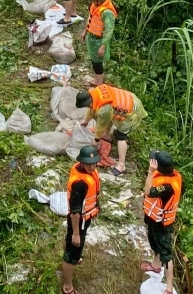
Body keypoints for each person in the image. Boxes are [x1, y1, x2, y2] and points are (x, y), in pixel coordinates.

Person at [75, 84, 146, 175]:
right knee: (111, 115)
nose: (86, 107)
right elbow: (92, 109)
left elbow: (101, 124)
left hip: (132, 110)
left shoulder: (104, 109)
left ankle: (121, 165)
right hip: (126, 99)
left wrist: (96, 139)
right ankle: (106, 136)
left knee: (120, 136)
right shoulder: (95, 93)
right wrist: (86, 121)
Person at [61, 144, 101, 294]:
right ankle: (67, 287)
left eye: (94, 163)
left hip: (85, 218)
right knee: (72, 250)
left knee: (73, 245)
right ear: (82, 162)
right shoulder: (80, 183)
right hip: (79, 220)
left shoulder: (83, 170)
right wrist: (76, 233)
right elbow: (75, 212)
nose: (92, 167)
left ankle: (74, 255)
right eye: (88, 164)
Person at [141, 151, 182, 291]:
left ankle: (169, 288)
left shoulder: (167, 187)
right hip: (154, 220)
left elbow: (147, 191)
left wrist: (150, 172)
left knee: (166, 255)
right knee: (155, 244)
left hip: (162, 223)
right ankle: (155, 267)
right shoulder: (173, 174)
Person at [82, 0, 117, 86]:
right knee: (94, 60)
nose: (92, 1)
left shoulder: (107, 12)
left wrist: (103, 45)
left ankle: (99, 84)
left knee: (98, 63)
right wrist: (85, 31)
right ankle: (96, 80)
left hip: (99, 40)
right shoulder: (95, 6)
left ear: (99, 0)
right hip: (92, 37)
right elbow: (90, 19)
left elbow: (109, 30)